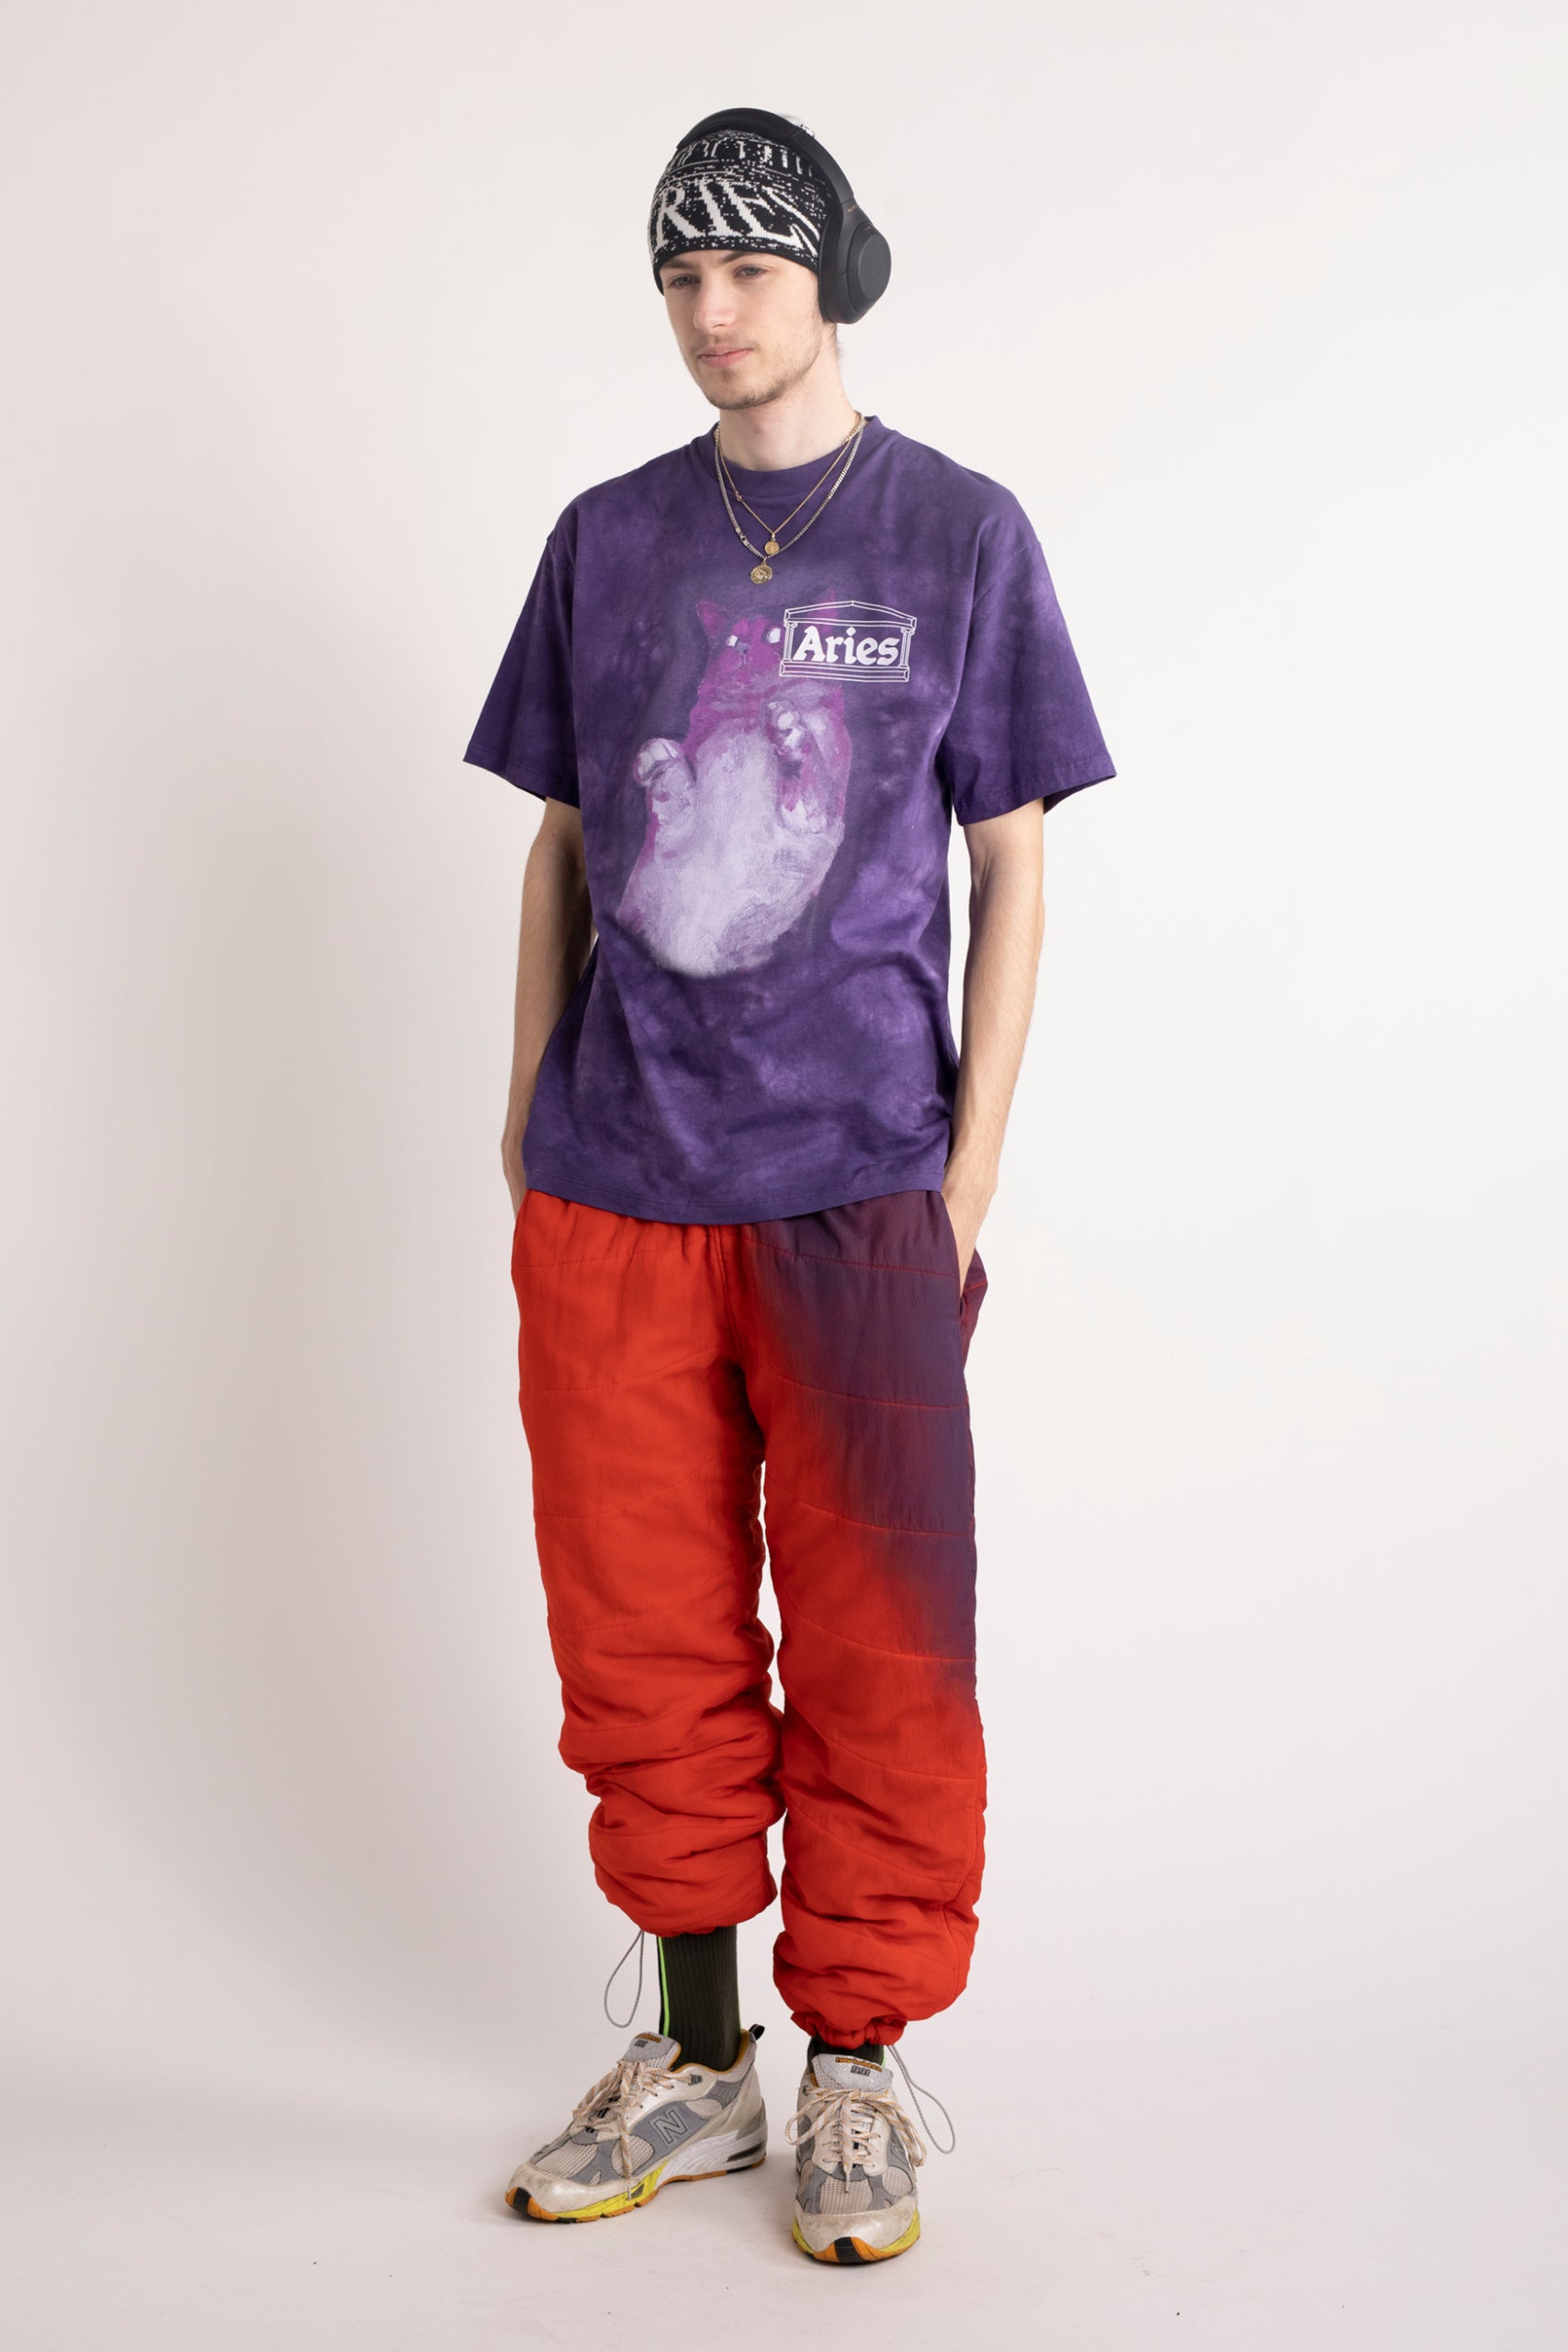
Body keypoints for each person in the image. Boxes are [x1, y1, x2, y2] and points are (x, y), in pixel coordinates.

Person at [462, 107, 1115, 2265]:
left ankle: (854, 2060)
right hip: (615, 1184)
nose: (708, 311)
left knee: (878, 1641)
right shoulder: (605, 539)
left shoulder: (956, 532)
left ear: (830, 275)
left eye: (744, 268)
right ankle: (692, 2055)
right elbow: (562, 838)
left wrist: (966, 1176)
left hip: (857, 1189)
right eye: (676, 275)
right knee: (636, 1634)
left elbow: (1013, 863)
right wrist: (525, 1103)